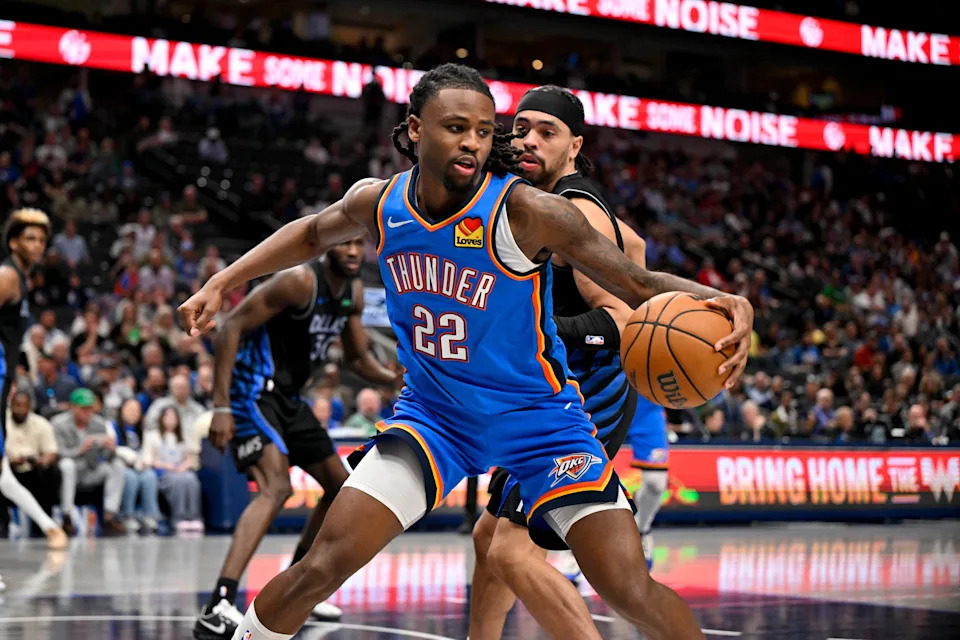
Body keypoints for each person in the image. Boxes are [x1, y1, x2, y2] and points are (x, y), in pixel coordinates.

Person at [178, 64, 752, 640]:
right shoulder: (380, 205)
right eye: (456, 127)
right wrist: (220, 282)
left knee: (627, 587)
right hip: (436, 418)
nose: (473, 142)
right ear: (414, 129)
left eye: (484, 130)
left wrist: (727, 301)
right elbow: (308, 234)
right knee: (321, 567)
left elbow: (640, 285)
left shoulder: (527, 212)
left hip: (541, 422)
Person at [469, 85, 663, 640]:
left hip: (588, 396)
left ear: (574, 146)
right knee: (490, 542)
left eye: (546, 132)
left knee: (510, 553)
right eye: (521, 128)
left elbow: (621, 318)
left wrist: (539, 335)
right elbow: (635, 242)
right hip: (544, 396)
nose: (528, 139)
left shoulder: (576, 204)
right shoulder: (534, 198)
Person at [193, 238, 399, 640]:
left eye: (360, 244)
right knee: (275, 488)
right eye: (346, 244)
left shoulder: (352, 293)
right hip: (252, 391)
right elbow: (231, 326)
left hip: (289, 399)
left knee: (341, 487)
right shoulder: (299, 281)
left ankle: (297, 589)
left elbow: (358, 358)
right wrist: (220, 407)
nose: (354, 251)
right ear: (329, 248)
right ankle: (218, 602)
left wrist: (395, 378)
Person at [0, 208, 68, 550]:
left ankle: (50, 527)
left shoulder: (21, 281)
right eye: (29, 238)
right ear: (13, 243)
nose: (38, 244)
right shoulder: (8, 276)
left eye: (42, 239)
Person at [52, 387, 127, 536]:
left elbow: (105, 457)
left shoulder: (99, 423)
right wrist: (80, 449)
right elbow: (57, 453)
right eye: (83, 409)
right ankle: (67, 517)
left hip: (90, 470)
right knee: (67, 465)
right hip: (65, 473)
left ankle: (110, 516)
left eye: (90, 409)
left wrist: (110, 449)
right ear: (72, 407)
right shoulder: (58, 423)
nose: (88, 413)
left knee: (117, 465)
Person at [0, 390, 60, 537]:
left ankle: (44, 526)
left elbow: (52, 452)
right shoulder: (2, 422)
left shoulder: (41, 423)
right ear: (10, 405)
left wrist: (41, 460)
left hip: (34, 471)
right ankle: (3, 524)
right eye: (17, 405)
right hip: (7, 468)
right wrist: (11, 461)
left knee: (52, 473)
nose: (20, 410)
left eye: (24, 406)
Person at [143, 406, 203, 533]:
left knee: (191, 480)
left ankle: (194, 517)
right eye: (167, 416)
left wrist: (183, 467)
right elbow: (150, 459)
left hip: (180, 470)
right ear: (161, 418)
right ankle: (179, 517)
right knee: (178, 482)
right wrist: (169, 467)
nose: (171, 420)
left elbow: (189, 458)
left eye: (174, 417)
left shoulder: (183, 437)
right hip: (163, 472)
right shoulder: (152, 436)